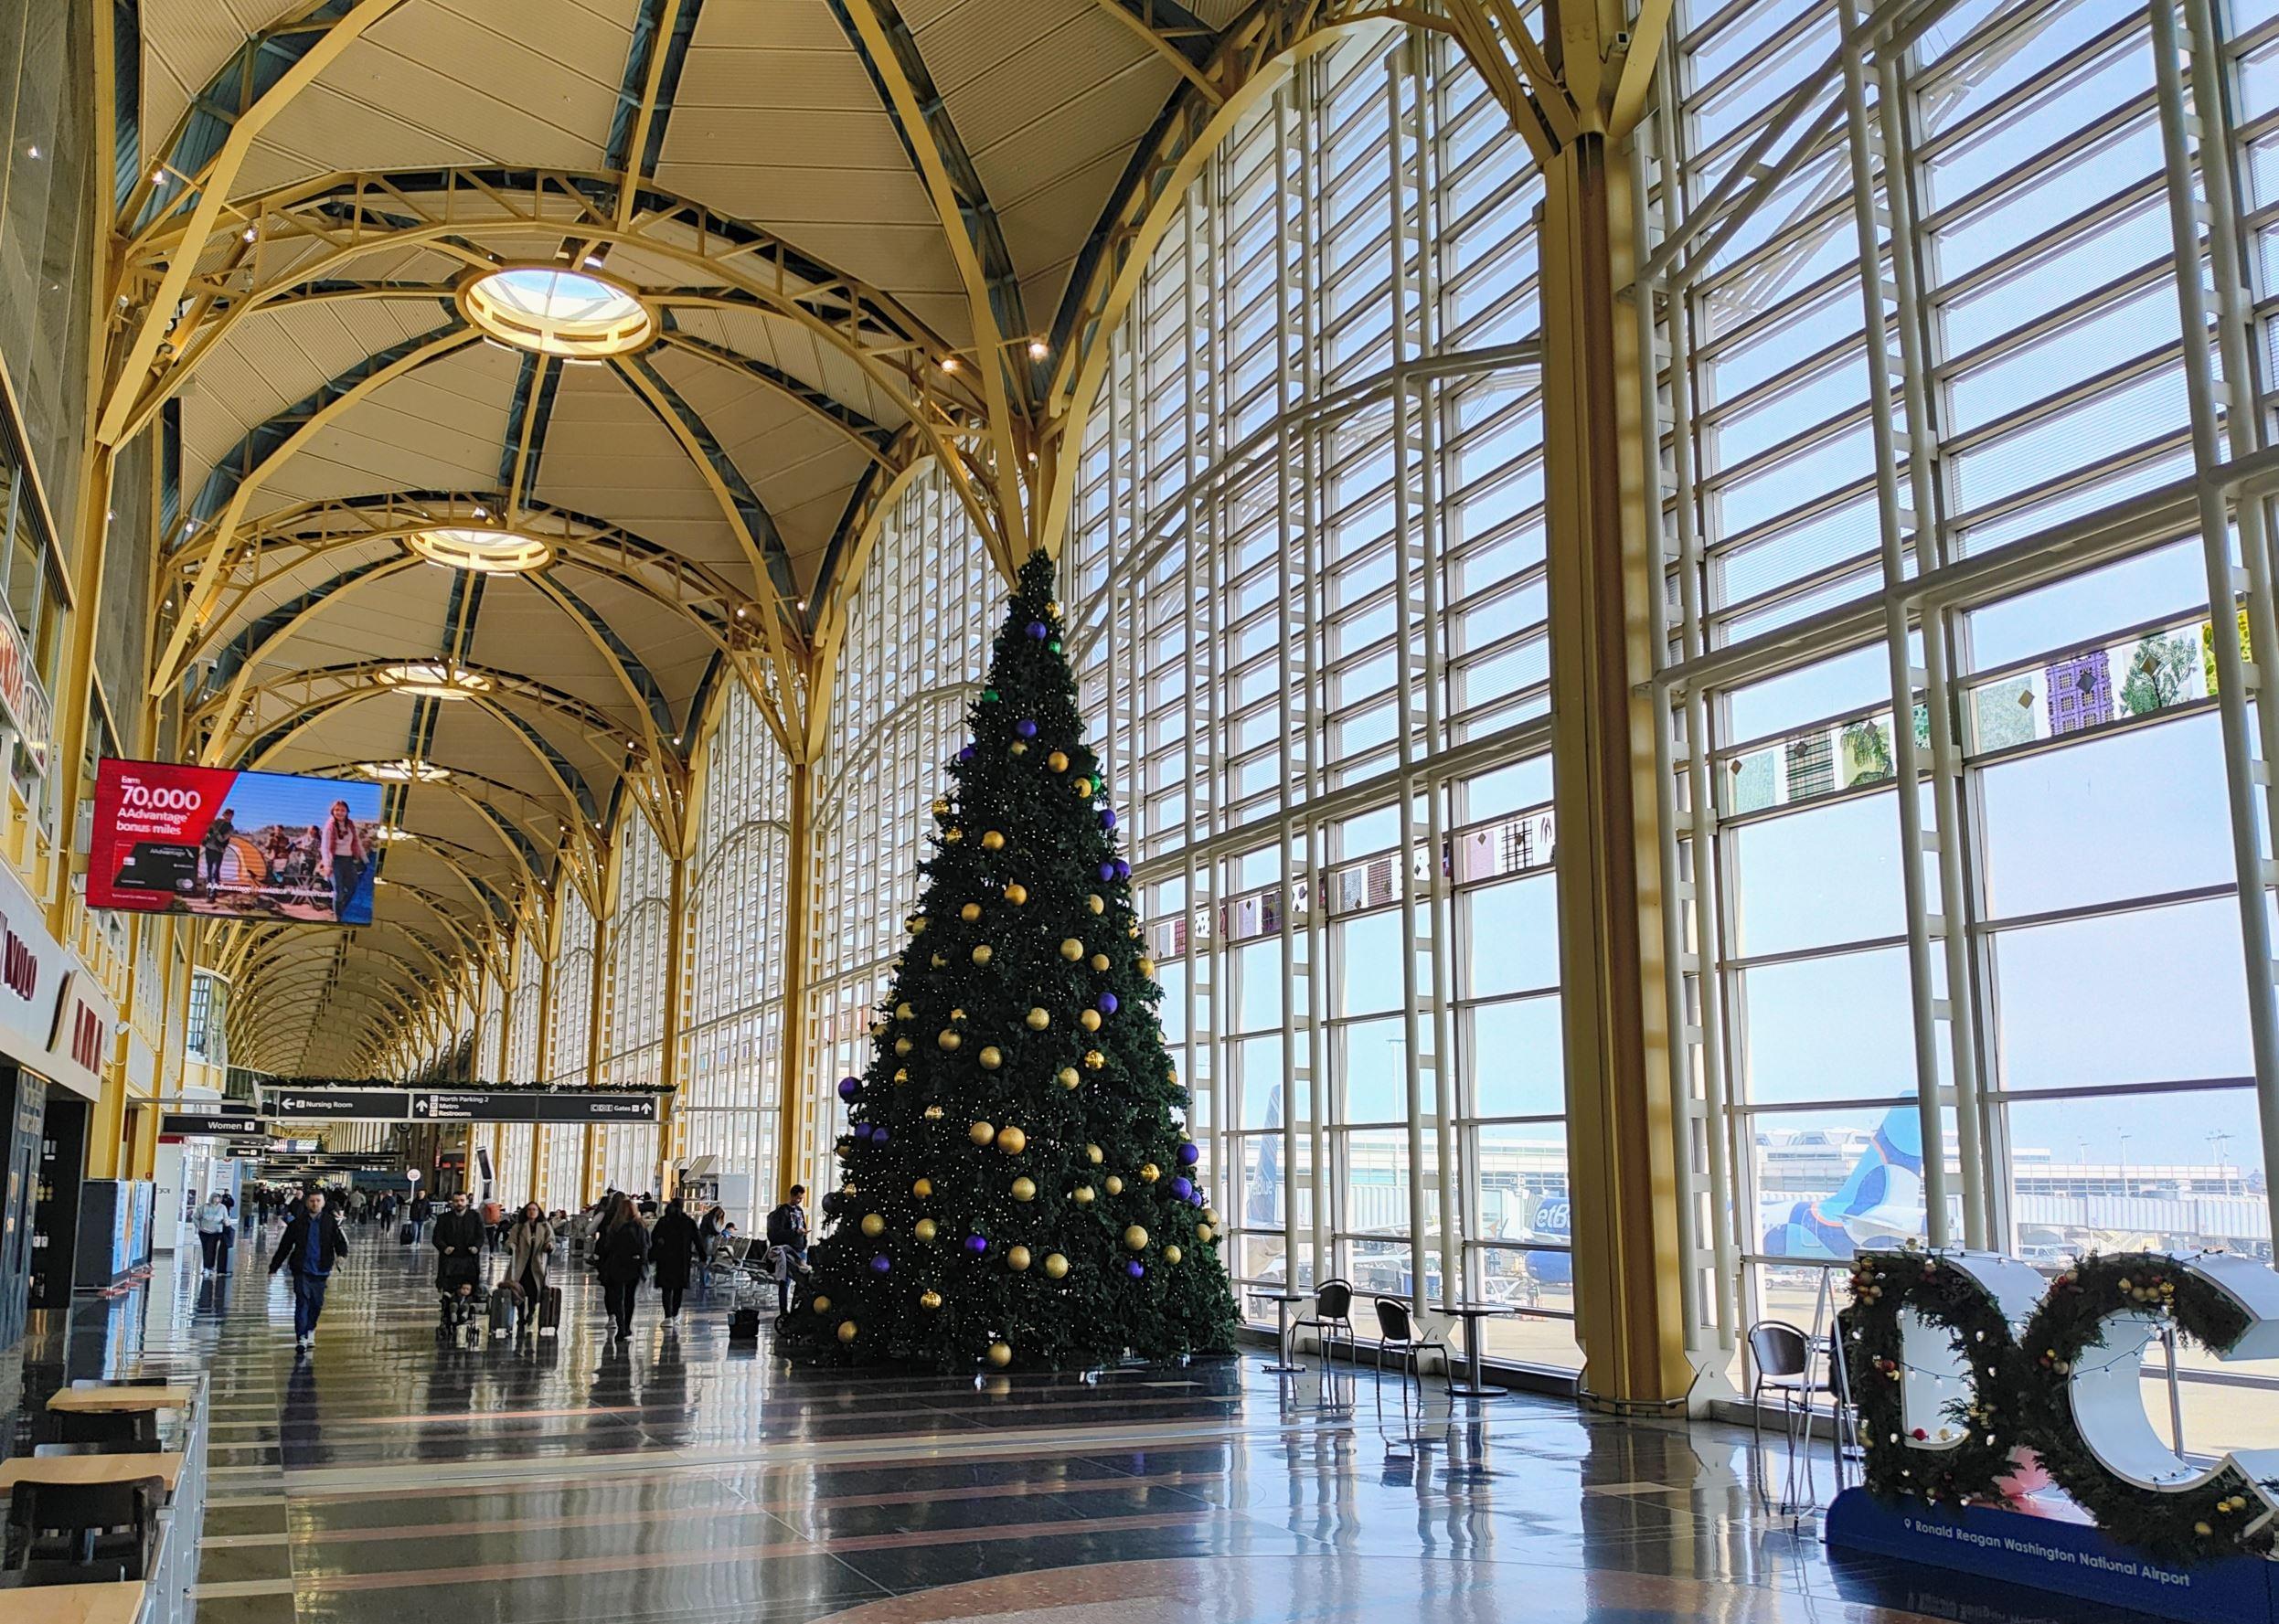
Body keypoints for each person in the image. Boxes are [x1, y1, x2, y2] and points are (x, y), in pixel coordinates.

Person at [268, 1189, 349, 1349]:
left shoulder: (329, 1221)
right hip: (301, 1269)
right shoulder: (297, 1223)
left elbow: (340, 1241)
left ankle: (311, 1328)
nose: (315, 1204)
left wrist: (341, 1255)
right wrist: (274, 1268)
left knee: (316, 1303)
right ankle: (301, 1336)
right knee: (302, 1301)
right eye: (312, 1201)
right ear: (307, 1202)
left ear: (323, 1202)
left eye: (318, 1201)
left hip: (321, 1269)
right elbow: (285, 1246)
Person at [593, 1193, 648, 1341]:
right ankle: (626, 1327)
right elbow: (645, 1246)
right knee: (630, 1298)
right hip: (633, 1266)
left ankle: (621, 1326)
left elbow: (607, 1246)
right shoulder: (640, 1225)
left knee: (619, 1297)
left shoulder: (614, 1226)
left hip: (617, 1265)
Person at [504, 1203, 555, 1336]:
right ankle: (521, 1317)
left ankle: (531, 1312)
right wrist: (512, 1245)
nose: (532, 1212)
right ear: (526, 1212)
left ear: (539, 1212)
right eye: (530, 1210)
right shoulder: (519, 1227)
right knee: (519, 1291)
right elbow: (510, 1241)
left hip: (536, 1264)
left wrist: (549, 1246)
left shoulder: (545, 1226)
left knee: (534, 1292)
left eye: (535, 1210)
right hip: (521, 1264)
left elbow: (551, 1240)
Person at [647, 1197, 701, 1324]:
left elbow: (654, 1238)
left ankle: (668, 1316)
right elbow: (697, 1240)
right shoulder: (688, 1222)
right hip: (682, 1260)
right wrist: (702, 1256)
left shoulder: (664, 1221)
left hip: (665, 1259)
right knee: (678, 1288)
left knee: (666, 1289)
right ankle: (675, 1313)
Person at [432, 1190, 485, 1311]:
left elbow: (481, 1235)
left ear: (467, 1201)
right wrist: (444, 1248)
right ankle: (448, 1309)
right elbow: (437, 1238)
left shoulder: (475, 1217)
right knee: (449, 1288)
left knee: (468, 1287)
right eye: (456, 1201)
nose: (459, 1203)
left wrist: (476, 1247)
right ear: (452, 1202)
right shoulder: (443, 1218)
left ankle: (465, 1309)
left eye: (462, 1200)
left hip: (469, 1259)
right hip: (450, 1260)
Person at [319, 799, 367, 922]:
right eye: (337, 810)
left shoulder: (350, 825)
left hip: (348, 860)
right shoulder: (329, 826)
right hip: (334, 861)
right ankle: (338, 917)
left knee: (354, 888)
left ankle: (341, 909)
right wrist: (327, 865)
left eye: (342, 810)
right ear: (333, 811)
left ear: (347, 812)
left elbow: (357, 842)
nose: (340, 812)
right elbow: (325, 847)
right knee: (338, 891)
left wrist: (365, 860)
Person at [764, 1185, 809, 1315]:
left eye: (801, 1198)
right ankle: (783, 1310)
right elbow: (778, 1233)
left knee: (801, 1280)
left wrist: (804, 1239)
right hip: (787, 1250)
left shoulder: (799, 1211)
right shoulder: (782, 1212)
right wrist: (795, 1232)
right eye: (798, 1198)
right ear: (793, 1195)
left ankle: (795, 1308)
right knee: (785, 1281)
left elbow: (802, 1226)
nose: (800, 1200)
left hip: (799, 1249)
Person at [201, 806, 236, 897]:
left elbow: (222, 839)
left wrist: (216, 830)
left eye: (229, 815)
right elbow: (208, 830)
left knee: (214, 871)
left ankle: (213, 893)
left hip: (219, 851)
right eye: (225, 814)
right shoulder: (217, 821)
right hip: (209, 848)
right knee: (209, 871)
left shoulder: (230, 828)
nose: (226, 817)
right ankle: (209, 892)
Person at [695, 1205, 726, 1303]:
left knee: (703, 1261)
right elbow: (714, 1229)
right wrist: (719, 1234)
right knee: (706, 1261)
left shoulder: (706, 1216)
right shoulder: (712, 1217)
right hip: (708, 1240)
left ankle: (703, 1281)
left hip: (702, 1240)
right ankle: (705, 1282)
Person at [195, 1193, 231, 1273]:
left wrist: (226, 1222)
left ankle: (209, 1267)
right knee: (206, 1249)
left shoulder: (222, 1208)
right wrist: (199, 1226)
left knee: (211, 1249)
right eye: (215, 1198)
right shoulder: (204, 1207)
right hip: (204, 1232)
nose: (216, 1200)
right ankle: (207, 1267)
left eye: (218, 1198)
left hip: (216, 1232)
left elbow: (226, 1218)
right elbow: (196, 1217)